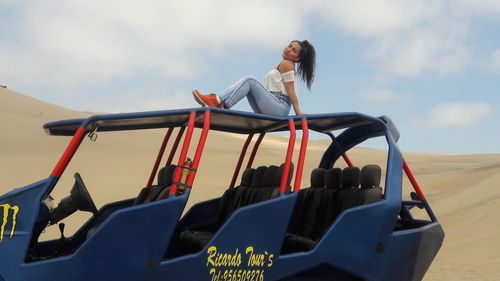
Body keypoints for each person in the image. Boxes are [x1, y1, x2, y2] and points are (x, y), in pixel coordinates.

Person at [192, 40, 316, 116]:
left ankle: (217, 101)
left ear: (297, 58)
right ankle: (219, 103)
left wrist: (298, 112)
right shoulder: (284, 64)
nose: (288, 50)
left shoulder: (287, 64)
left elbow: (291, 91)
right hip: (271, 106)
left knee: (250, 80)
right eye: (289, 46)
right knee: (249, 86)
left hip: (279, 107)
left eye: (293, 50)